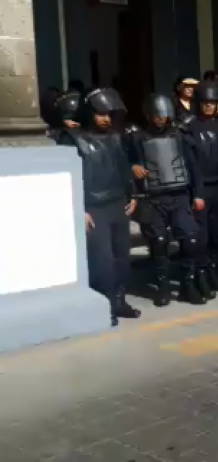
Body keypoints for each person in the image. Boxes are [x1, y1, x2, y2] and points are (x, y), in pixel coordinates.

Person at [58, 88, 140, 326]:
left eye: (109, 114)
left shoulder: (115, 137)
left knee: (121, 258)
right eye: (101, 114)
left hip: (117, 204)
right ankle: (104, 306)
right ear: (88, 113)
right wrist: (78, 209)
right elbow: (68, 177)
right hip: (93, 208)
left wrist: (132, 194)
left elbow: (124, 169)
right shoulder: (71, 138)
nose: (106, 119)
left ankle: (119, 301)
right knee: (102, 262)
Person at [128, 93, 210, 307]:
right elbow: (124, 162)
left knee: (190, 238)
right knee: (160, 242)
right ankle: (162, 287)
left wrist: (198, 194)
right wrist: (132, 168)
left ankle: (187, 284)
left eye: (164, 115)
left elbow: (193, 167)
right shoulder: (137, 137)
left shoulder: (179, 135)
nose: (160, 118)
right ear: (149, 115)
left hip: (179, 195)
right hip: (153, 198)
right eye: (156, 115)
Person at [178, 80, 218, 293]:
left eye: (213, 102)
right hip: (197, 187)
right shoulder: (188, 125)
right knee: (198, 234)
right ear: (198, 102)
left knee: (216, 233)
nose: (209, 106)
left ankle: (211, 270)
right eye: (205, 102)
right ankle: (198, 272)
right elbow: (188, 160)